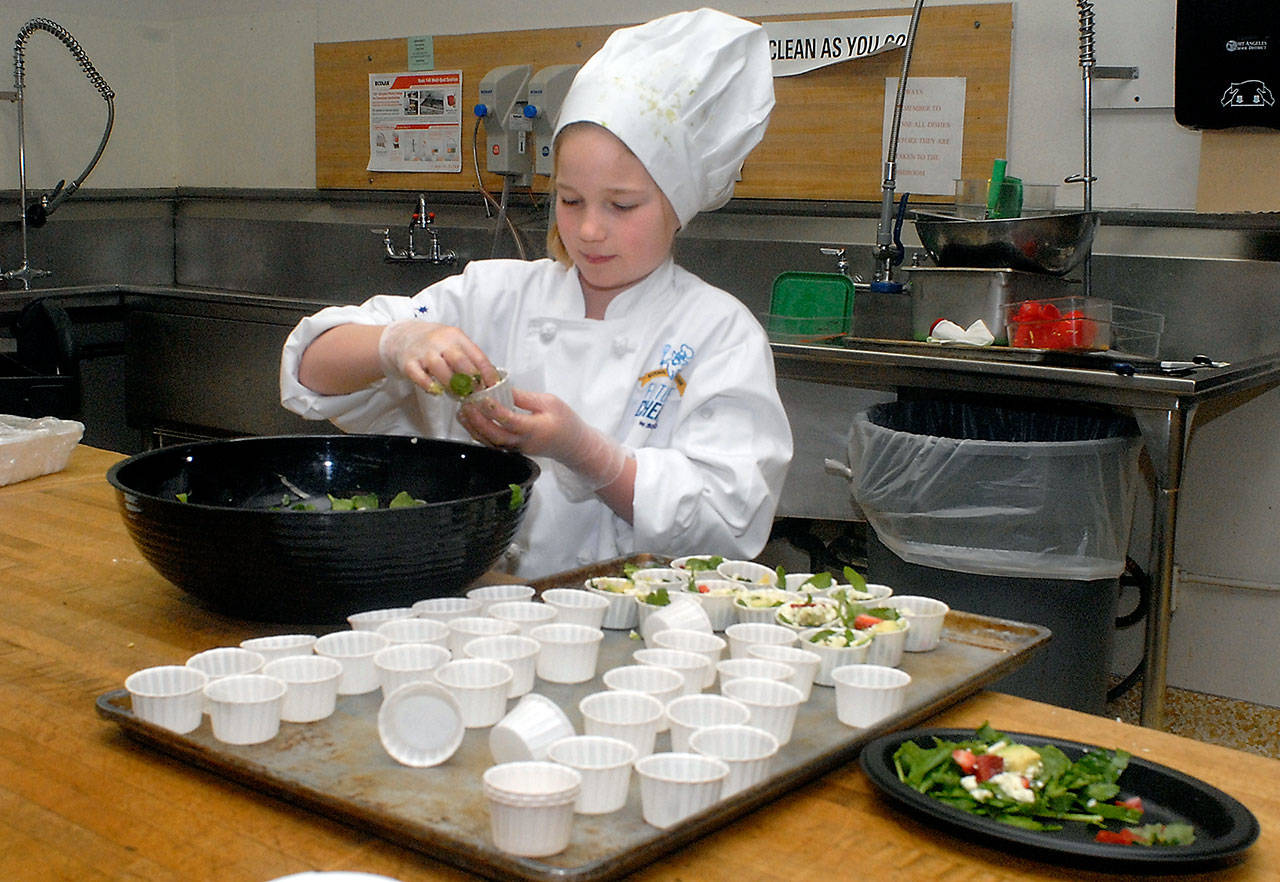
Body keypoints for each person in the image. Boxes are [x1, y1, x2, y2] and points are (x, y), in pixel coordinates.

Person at [280, 8, 793, 578]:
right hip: (475, 619)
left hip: (636, 639)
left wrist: (587, 453)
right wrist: (398, 342)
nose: (590, 229)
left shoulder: (717, 333)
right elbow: (310, 370)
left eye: (621, 205)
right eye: (570, 200)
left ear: (679, 206)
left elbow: (730, 524)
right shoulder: (495, 295)